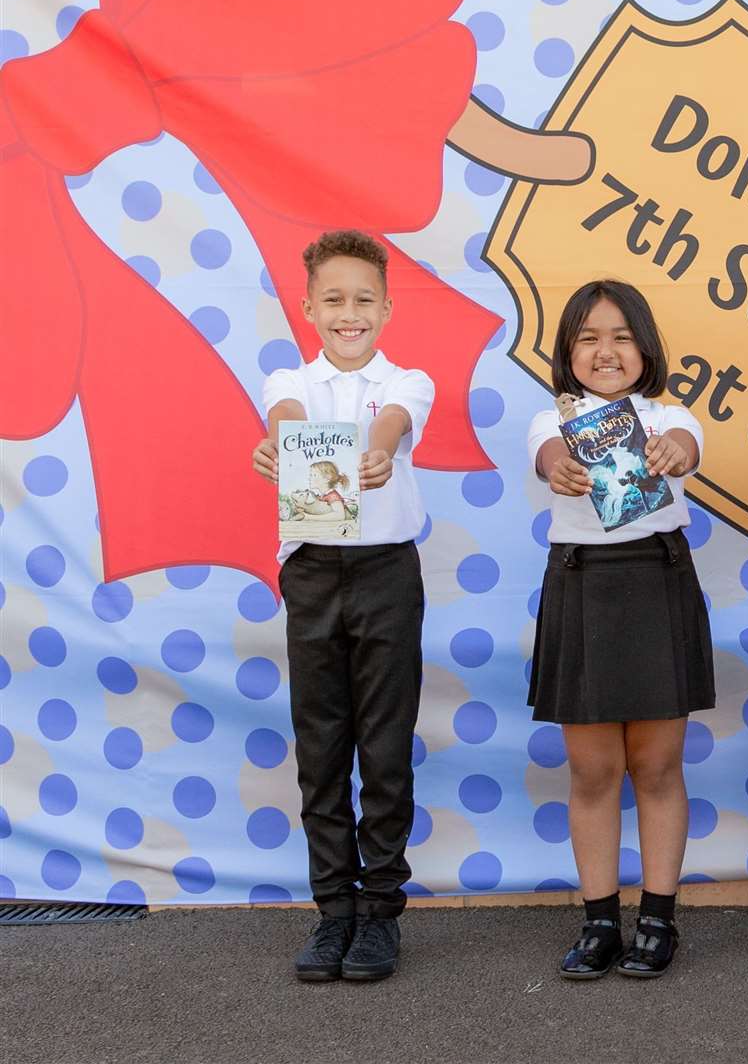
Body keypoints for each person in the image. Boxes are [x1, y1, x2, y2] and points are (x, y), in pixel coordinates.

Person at [250, 228, 433, 982]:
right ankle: (334, 914)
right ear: (307, 308)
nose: (348, 313)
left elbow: (393, 422)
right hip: (312, 574)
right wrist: (279, 448)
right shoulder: (286, 380)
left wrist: (380, 450)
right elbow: (286, 418)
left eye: (363, 300)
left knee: (385, 747)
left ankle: (381, 916)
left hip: (386, 572)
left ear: (386, 309)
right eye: (333, 300)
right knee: (321, 749)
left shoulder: (407, 382)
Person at [525, 279, 715, 980]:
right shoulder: (550, 423)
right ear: (568, 350)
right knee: (593, 770)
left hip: (658, 581)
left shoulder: (672, 416)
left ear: (646, 347)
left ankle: (658, 921)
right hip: (581, 585)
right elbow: (547, 457)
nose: (605, 351)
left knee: (658, 767)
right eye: (588, 337)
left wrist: (672, 452)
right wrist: (560, 468)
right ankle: (600, 922)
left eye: (621, 336)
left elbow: (688, 446)